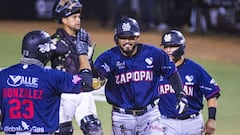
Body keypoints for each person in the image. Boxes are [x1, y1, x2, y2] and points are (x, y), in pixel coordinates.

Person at [93, 17, 188, 134]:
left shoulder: (154, 54)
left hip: (150, 115)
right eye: (123, 38)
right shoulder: (108, 57)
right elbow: (98, 77)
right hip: (122, 117)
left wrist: (180, 94)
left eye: (131, 37)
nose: (127, 41)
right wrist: (90, 68)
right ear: (116, 39)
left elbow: (172, 72)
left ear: (138, 37)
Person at [0, 30, 93, 135]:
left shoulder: (3, 75)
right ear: (44, 51)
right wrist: (83, 54)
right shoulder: (52, 77)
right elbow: (86, 82)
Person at [51, 0, 103, 135]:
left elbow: (89, 64)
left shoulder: (85, 38)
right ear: (64, 19)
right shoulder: (54, 41)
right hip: (63, 95)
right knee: (62, 132)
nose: (78, 20)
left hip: (84, 94)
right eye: (74, 17)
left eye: (79, 17)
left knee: (94, 130)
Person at [158, 30, 221, 135]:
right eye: (165, 47)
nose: (168, 50)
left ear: (182, 47)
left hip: (192, 124)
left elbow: (212, 94)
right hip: (165, 123)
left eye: (172, 46)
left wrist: (212, 119)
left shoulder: (195, 69)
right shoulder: (158, 69)